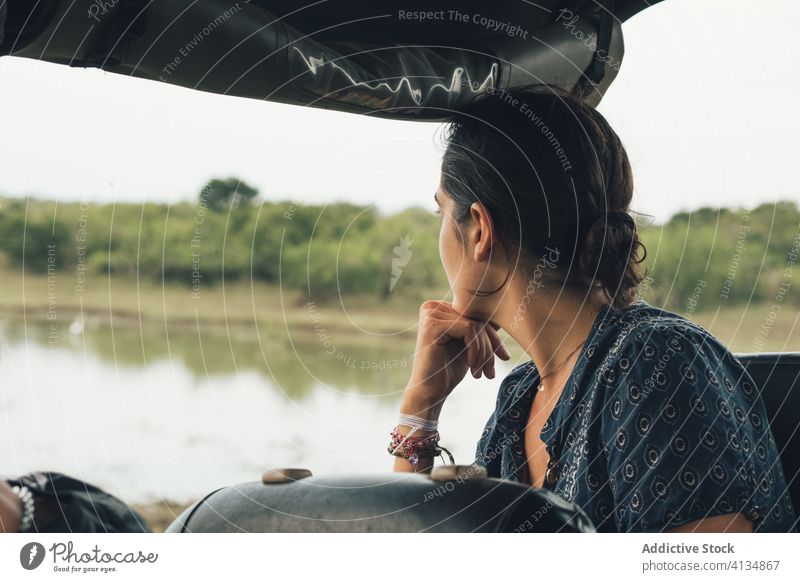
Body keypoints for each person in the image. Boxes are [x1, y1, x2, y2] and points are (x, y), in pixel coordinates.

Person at [390, 85, 797, 533]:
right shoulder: (518, 399)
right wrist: (421, 408)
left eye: (441, 214)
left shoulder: (656, 360)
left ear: (480, 230)